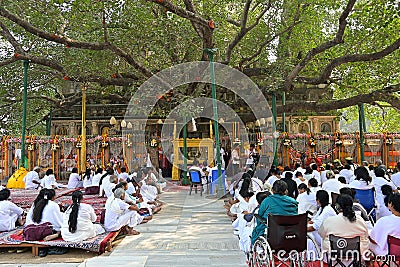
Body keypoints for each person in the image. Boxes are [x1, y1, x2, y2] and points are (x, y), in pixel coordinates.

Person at [251, 180, 298, 244]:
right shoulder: (293, 201)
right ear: (286, 191)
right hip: (290, 230)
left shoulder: (267, 200)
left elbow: (260, 214)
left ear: (272, 190)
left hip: (272, 230)